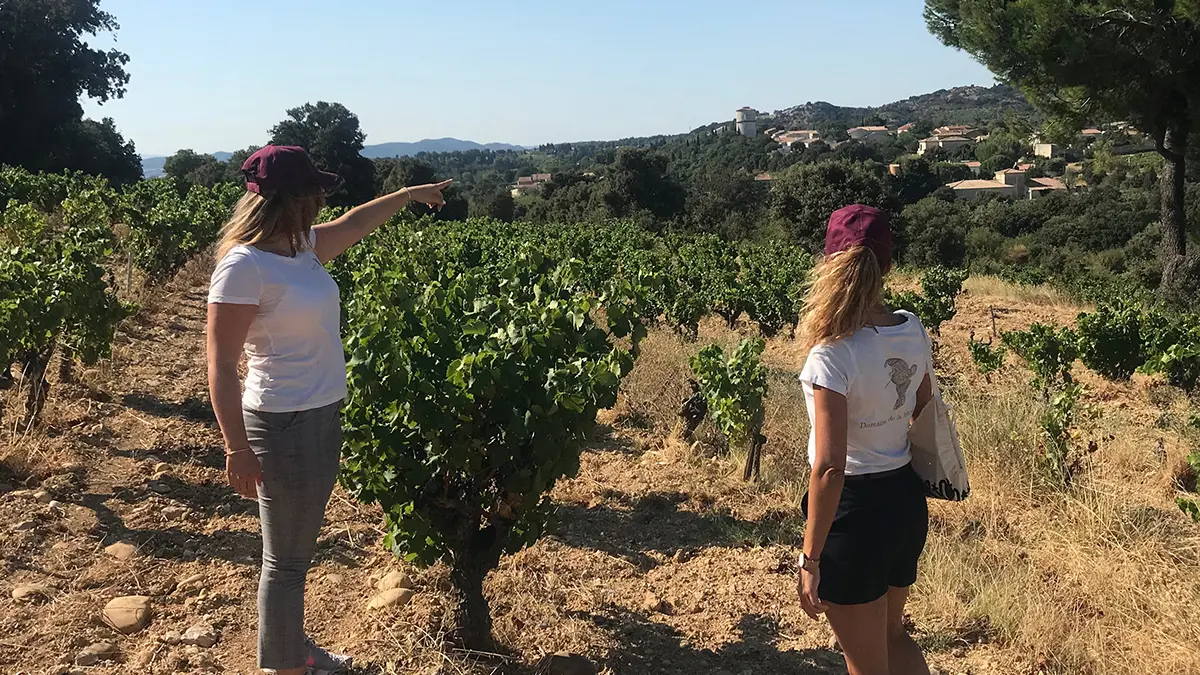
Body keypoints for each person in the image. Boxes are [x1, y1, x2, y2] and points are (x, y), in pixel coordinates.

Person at [206, 145, 450, 675]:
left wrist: (408, 194)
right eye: (314, 190)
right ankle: (288, 667)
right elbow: (221, 364)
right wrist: (237, 448)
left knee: (294, 555)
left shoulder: (301, 248)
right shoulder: (244, 266)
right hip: (281, 423)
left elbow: (355, 222)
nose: (322, 198)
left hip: (318, 413)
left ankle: (295, 651)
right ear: (293, 199)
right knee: (286, 562)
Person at [795, 204, 934, 675]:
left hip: (854, 515)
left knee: (866, 663)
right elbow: (921, 406)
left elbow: (830, 467)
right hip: (905, 501)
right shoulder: (912, 328)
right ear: (888, 265)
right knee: (893, 638)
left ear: (828, 262)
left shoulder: (831, 354)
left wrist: (810, 558)